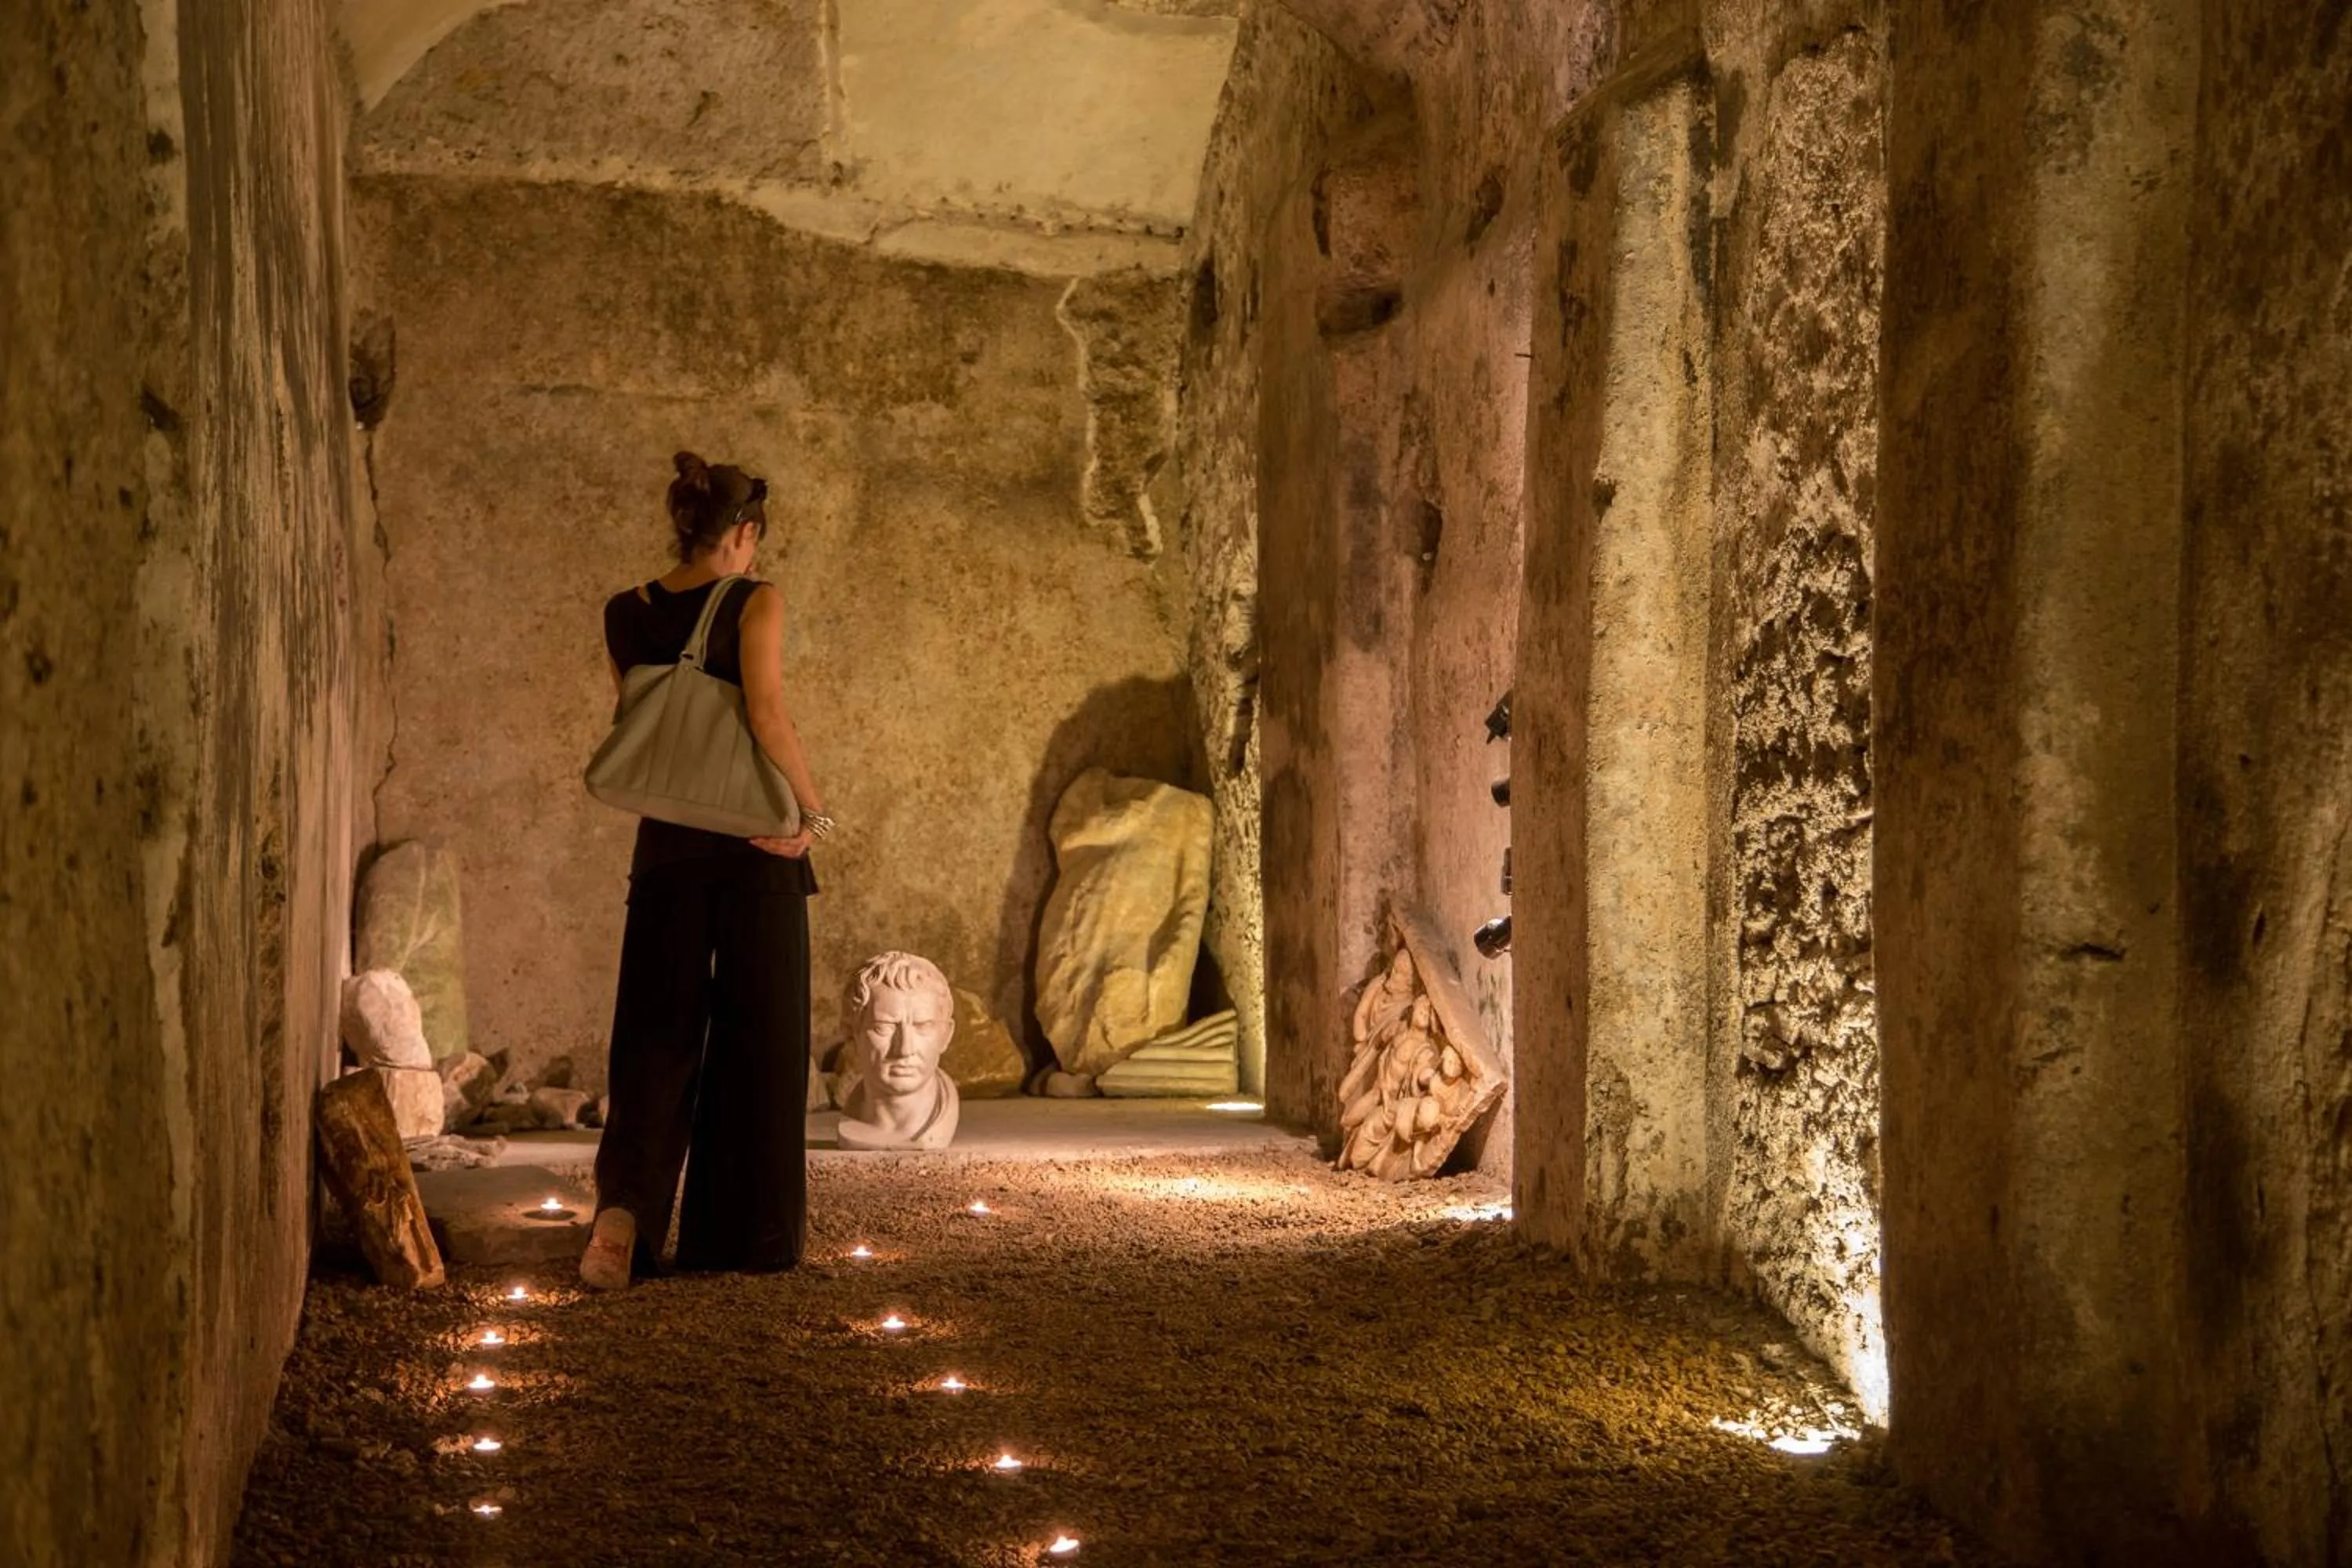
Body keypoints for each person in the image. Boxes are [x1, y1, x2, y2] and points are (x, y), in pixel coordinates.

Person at [579, 452, 833, 1290]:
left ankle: (625, 1216)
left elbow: (647, 727)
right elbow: (765, 713)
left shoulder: (625, 612)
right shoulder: (755, 599)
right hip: (753, 847)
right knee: (761, 1035)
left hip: (666, 849)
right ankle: (746, 1234)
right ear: (746, 532)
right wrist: (810, 809)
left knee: (655, 1032)